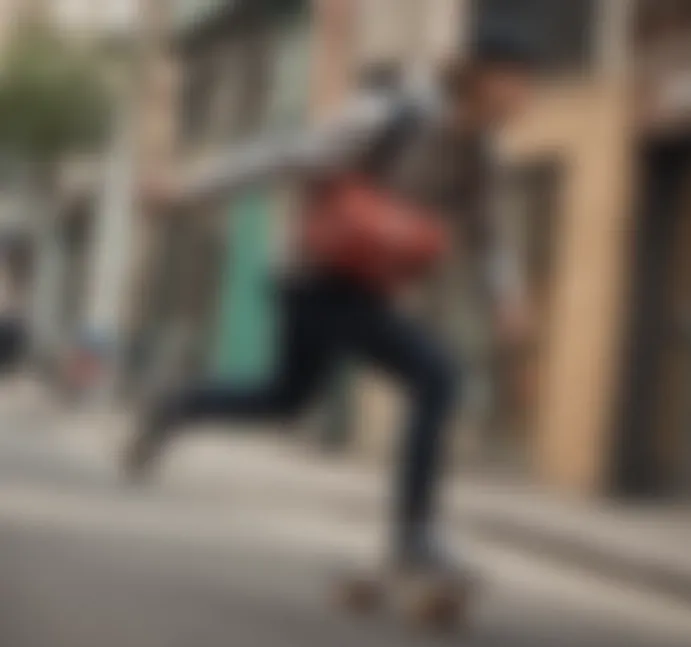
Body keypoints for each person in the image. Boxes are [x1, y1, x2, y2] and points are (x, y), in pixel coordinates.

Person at [124, 25, 537, 577]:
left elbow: (491, 238)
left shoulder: (481, 154)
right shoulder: (391, 117)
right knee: (436, 375)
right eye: (517, 81)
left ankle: (176, 406)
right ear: (483, 78)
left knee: (285, 398)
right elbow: (283, 156)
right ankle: (413, 536)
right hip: (314, 275)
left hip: (364, 287)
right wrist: (185, 189)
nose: (525, 95)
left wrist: (508, 297)